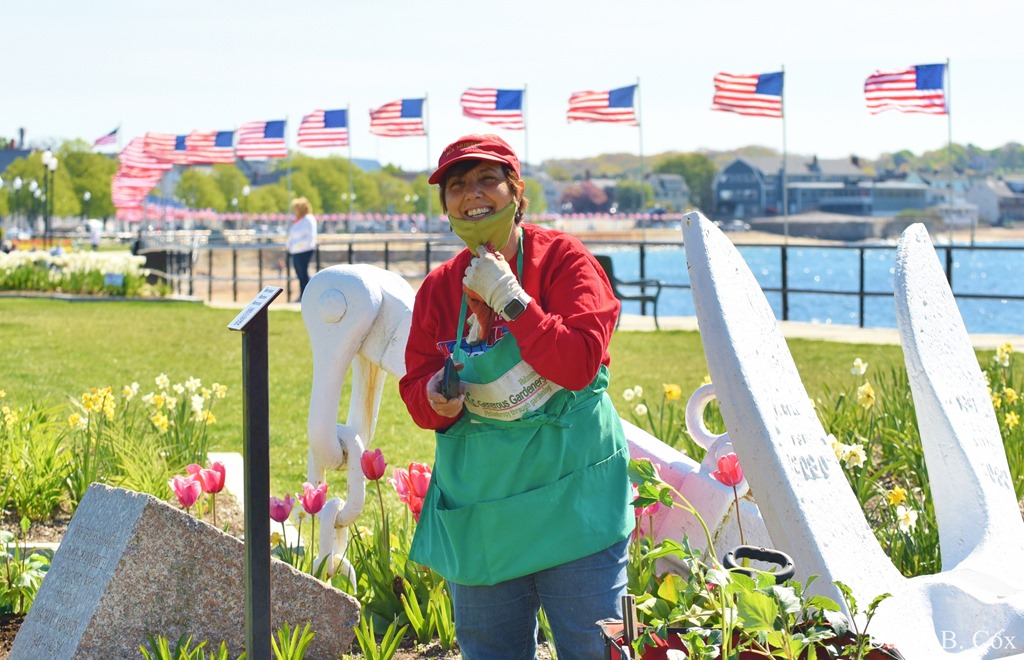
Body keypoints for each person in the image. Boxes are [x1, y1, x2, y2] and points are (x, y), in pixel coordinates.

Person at [398, 134, 633, 659]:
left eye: (488, 179)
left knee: (594, 649)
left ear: (517, 191)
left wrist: (511, 299)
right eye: (457, 185)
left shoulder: (565, 261)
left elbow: (578, 364)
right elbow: (415, 386)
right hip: (485, 513)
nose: (471, 194)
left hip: (576, 502)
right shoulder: (438, 289)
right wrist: (434, 398)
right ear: (446, 207)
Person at [287, 197, 318, 300]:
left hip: (305, 250)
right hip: (296, 251)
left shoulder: (309, 219)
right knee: (300, 274)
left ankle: (307, 296)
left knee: (303, 274)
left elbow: (310, 237)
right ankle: (303, 295)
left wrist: (296, 245)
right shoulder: (299, 220)